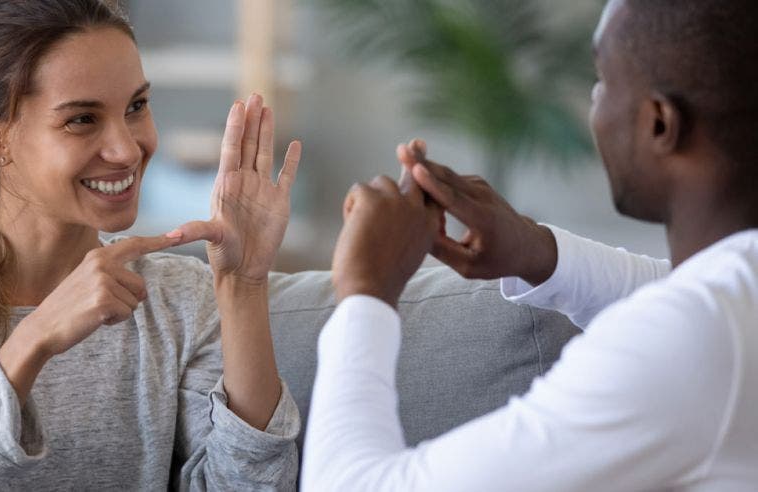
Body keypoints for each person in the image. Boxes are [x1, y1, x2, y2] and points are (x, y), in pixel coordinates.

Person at [0, 1, 303, 489]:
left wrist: (244, 286)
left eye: (136, 106)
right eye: (81, 120)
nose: (127, 149)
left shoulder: (180, 300)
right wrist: (34, 338)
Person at [303, 0, 758, 490]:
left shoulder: (689, 343)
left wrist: (366, 291)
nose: (594, 106)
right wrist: (536, 252)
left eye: (602, 81)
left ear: (659, 123)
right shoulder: (733, 296)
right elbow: (683, 289)